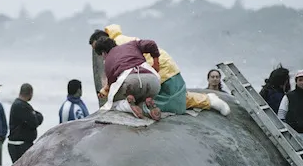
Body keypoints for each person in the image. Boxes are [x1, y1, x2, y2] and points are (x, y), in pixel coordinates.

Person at [90, 26, 228, 115]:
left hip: (162, 72)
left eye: (96, 49)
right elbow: (149, 44)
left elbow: (114, 77)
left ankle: (210, 101)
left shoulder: (115, 47)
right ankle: (145, 104)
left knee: (175, 103)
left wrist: (107, 92)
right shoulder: (123, 40)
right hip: (156, 71)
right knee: (158, 97)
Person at [93, 36, 163, 120]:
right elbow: (151, 43)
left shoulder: (108, 60)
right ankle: (148, 104)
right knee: (141, 97)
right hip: (153, 82)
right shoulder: (132, 44)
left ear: (103, 53)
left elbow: (112, 83)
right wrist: (156, 63)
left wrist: (105, 91)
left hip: (130, 82)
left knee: (112, 104)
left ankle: (128, 105)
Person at [7, 83, 44, 163]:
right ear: (30, 93)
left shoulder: (21, 105)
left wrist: (35, 115)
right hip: (20, 145)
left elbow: (35, 116)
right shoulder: (22, 106)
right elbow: (34, 122)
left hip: (19, 144)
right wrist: (36, 116)